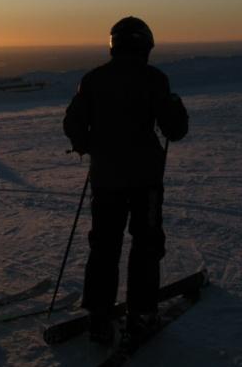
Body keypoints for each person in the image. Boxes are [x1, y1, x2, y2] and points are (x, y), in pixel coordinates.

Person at [63, 17, 188, 345]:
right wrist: (175, 106)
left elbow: (74, 124)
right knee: (146, 244)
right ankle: (141, 313)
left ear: (114, 44)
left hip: (106, 179)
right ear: (145, 46)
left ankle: (99, 317)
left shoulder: (93, 80)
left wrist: (92, 147)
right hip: (145, 178)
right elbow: (175, 130)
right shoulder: (154, 79)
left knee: (104, 245)